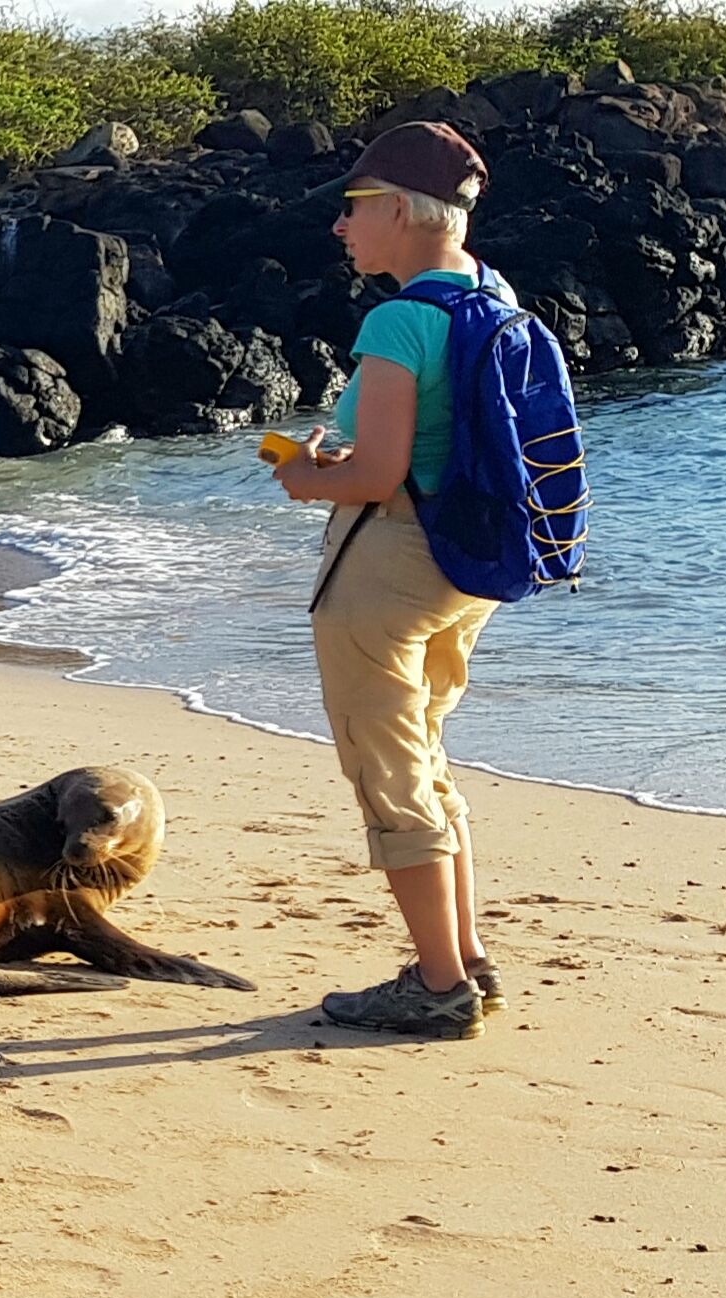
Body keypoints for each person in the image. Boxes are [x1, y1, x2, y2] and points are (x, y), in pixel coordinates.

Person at [272, 122, 513, 1039]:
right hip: (464, 565)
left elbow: (376, 473)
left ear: (404, 213)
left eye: (355, 207)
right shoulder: (492, 295)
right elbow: (436, 446)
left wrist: (305, 475)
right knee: (426, 756)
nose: (341, 227)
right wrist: (350, 464)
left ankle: (440, 986)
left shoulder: (398, 320)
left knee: (390, 773)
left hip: (387, 570)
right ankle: (466, 957)